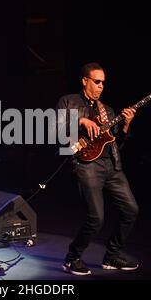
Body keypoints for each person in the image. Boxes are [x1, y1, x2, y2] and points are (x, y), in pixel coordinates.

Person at [56, 63, 139, 275]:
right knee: (96, 218)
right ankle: (72, 258)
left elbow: (116, 143)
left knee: (131, 210)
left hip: (111, 165)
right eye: (97, 81)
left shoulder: (107, 110)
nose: (101, 86)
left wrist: (127, 125)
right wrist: (81, 120)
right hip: (87, 165)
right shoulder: (69, 101)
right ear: (85, 81)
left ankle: (111, 256)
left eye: (103, 82)